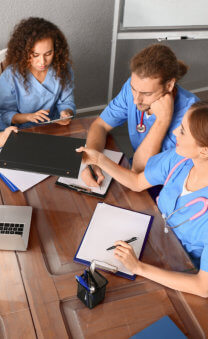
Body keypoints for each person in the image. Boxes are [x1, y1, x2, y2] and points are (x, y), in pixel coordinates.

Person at [77, 101, 208, 297]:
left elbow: (202, 287)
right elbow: (137, 182)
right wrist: (98, 159)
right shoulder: (180, 159)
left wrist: (138, 268)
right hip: (153, 241)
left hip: (181, 274)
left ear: (204, 150)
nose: (174, 134)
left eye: (182, 131)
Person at [81, 44, 198, 187]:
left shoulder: (192, 117)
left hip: (164, 186)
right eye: (133, 89)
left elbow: (140, 171)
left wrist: (163, 121)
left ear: (169, 85)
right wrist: (93, 163)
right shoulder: (136, 89)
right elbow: (100, 125)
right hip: (133, 175)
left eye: (147, 94)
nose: (136, 100)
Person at [0, 17, 75, 130]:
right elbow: (5, 114)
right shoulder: (11, 76)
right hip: (23, 131)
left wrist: (66, 113)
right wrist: (29, 117)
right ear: (24, 52)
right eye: (35, 55)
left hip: (54, 126)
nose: (42, 62)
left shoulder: (62, 69)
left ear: (56, 50)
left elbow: (66, 102)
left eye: (48, 54)